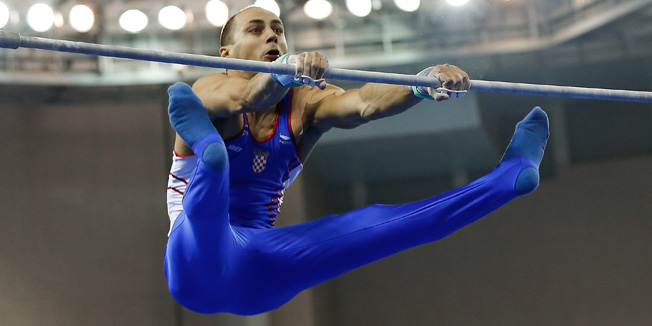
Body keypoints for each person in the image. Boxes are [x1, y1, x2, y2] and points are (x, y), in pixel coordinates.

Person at [164, 6, 549, 316]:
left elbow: (364, 103)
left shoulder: (303, 105)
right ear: (225, 54)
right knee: (204, 211)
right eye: (256, 29)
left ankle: (510, 176)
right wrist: (282, 75)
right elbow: (247, 98)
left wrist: (421, 84)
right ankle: (213, 160)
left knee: (384, 224)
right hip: (197, 259)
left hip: (263, 264)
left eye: (278, 29)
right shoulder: (210, 88)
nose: (272, 36)